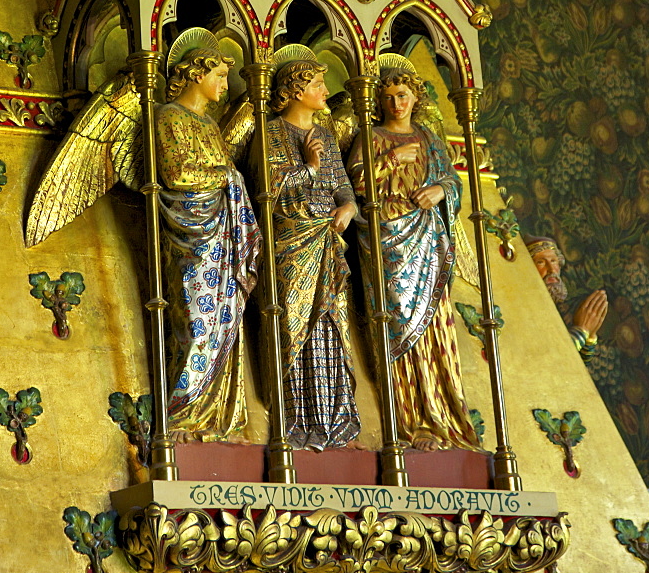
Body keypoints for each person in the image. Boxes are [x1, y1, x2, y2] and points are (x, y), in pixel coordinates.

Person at [347, 59, 479, 453]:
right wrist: (390, 161)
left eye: (402, 96)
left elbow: (450, 180)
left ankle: (440, 413)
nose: (395, 104)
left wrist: (440, 192)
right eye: (388, 98)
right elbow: (353, 182)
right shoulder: (370, 137)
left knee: (434, 325)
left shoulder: (429, 139)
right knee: (397, 324)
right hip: (387, 243)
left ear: (415, 97)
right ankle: (408, 419)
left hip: (427, 243)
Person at [155, 29, 260, 441]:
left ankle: (216, 416)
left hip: (224, 234)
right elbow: (176, 173)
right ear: (196, 74)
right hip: (192, 235)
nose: (224, 83)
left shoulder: (211, 126)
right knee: (196, 321)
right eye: (218, 73)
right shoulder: (168, 117)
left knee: (226, 317)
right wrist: (227, 176)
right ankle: (183, 411)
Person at [265, 53, 360, 451]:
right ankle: (296, 417)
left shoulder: (326, 132)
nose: (325, 90)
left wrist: (349, 207)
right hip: (292, 239)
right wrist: (307, 167)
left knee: (329, 320)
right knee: (293, 322)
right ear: (296, 91)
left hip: (327, 240)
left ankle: (334, 416)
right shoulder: (271, 132)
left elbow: (342, 187)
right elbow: (268, 188)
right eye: (318, 84)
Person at [526, 235, 607, 362]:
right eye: (541, 262)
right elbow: (552, 359)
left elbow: (576, 364)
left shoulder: (553, 308)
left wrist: (590, 337)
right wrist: (582, 330)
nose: (551, 269)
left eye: (553, 261)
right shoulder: (526, 308)